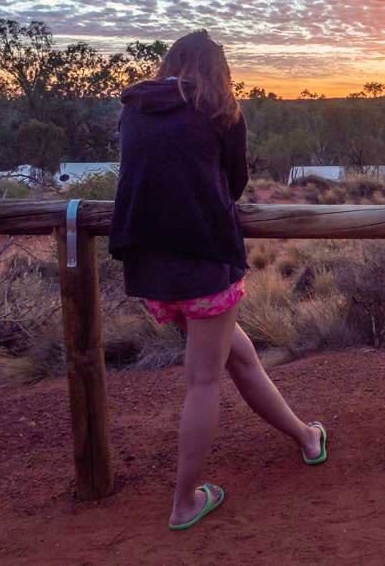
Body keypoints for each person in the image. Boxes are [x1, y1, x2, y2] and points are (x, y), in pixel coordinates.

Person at [110, 30, 327, 531]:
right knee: (204, 381)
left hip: (150, 269)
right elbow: (233, 184)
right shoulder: (220, 110)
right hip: (203, 263)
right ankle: (185, 501)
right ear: (219, 69)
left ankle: (307, 437)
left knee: (239, 357)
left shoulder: (135, 107)